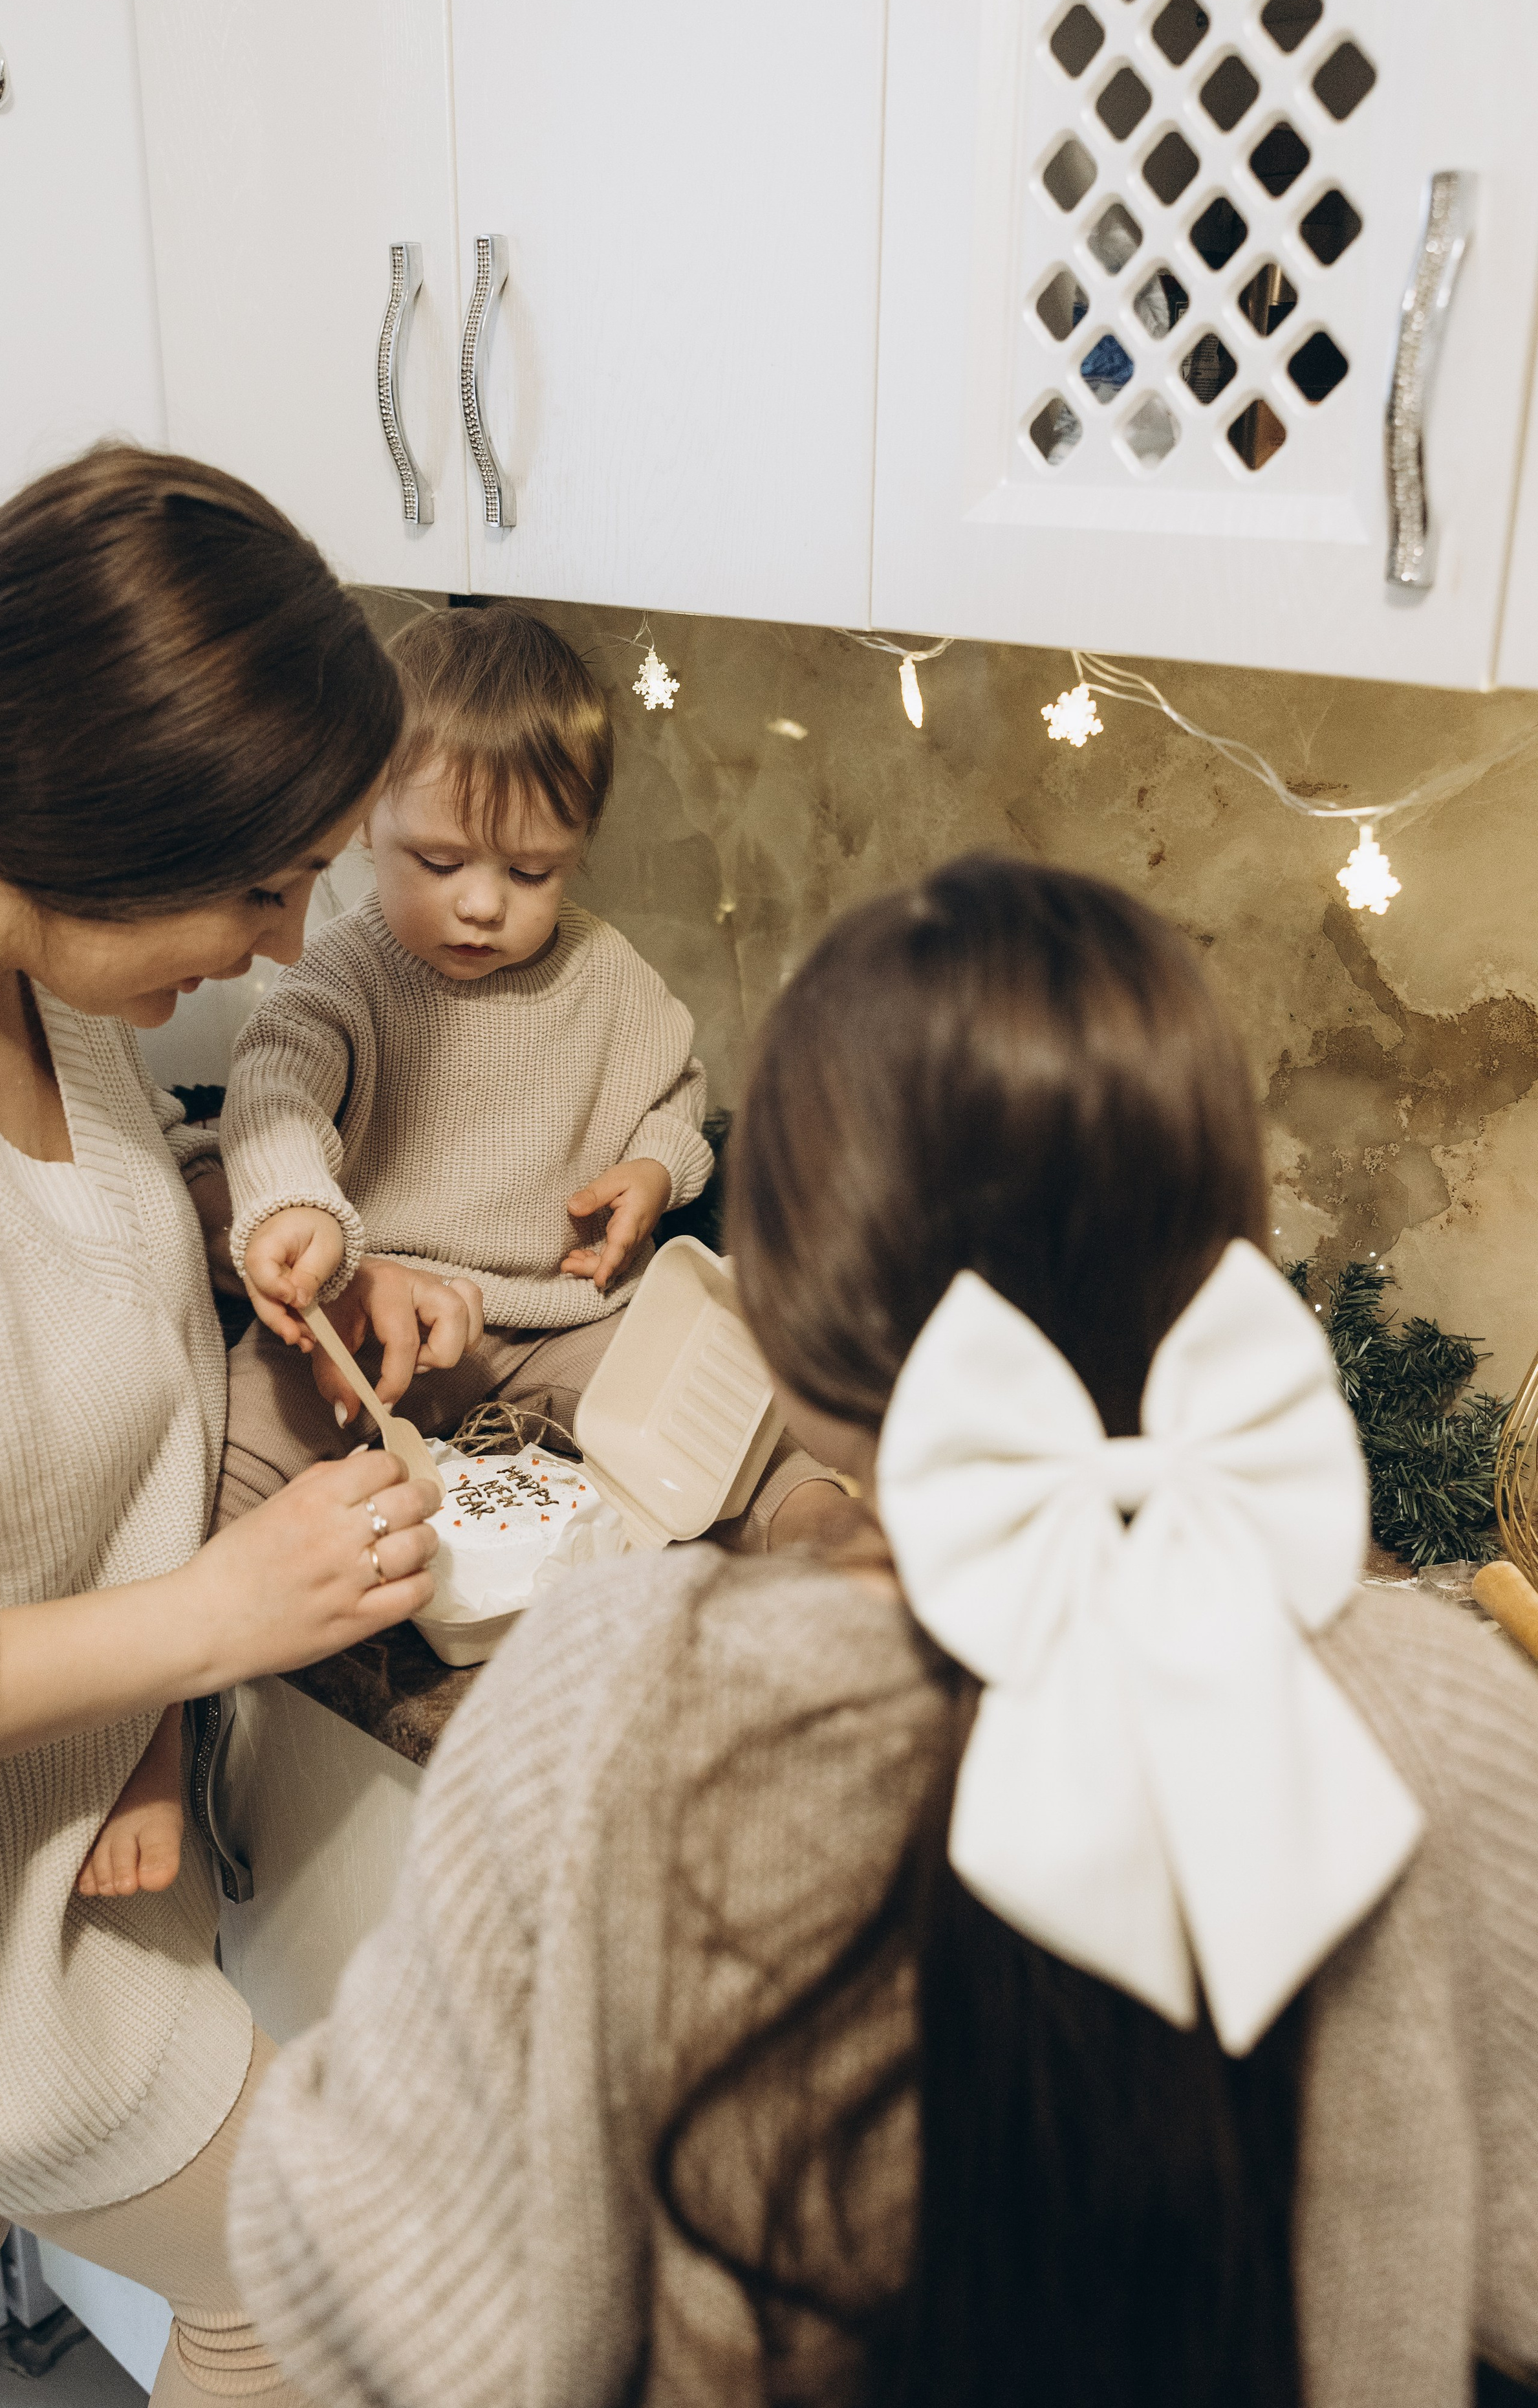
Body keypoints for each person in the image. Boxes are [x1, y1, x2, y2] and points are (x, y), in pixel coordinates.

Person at [227, 853, 1538, 2408]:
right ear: (1225, 1262)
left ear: (778, 1311)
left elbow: (354, 2269)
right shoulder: (1436, 1712)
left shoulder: (602, 1692)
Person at [0, 446, 450, 2407]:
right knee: (319, 2282)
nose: (292, 946)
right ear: (108, 817)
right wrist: (219, 1618)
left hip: (22, 1870)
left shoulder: (34, 988)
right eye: (269, 883)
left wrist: (236, 1227)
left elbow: (36, 1268)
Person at [211, 601, 843, 1545]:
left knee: (714, 1429)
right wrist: (295, 1203)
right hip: (366, 1317)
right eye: (440, 859)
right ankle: (204, 1639)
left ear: (580, 849)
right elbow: (273, 1091)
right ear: (362, 825)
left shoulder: (607, 971)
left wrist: (654, 1171)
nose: (481, 904)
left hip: (558, 1324)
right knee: (235, 1451)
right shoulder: (343, 968)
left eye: (532, 872)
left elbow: (675, 1093)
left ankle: (829, 1538)